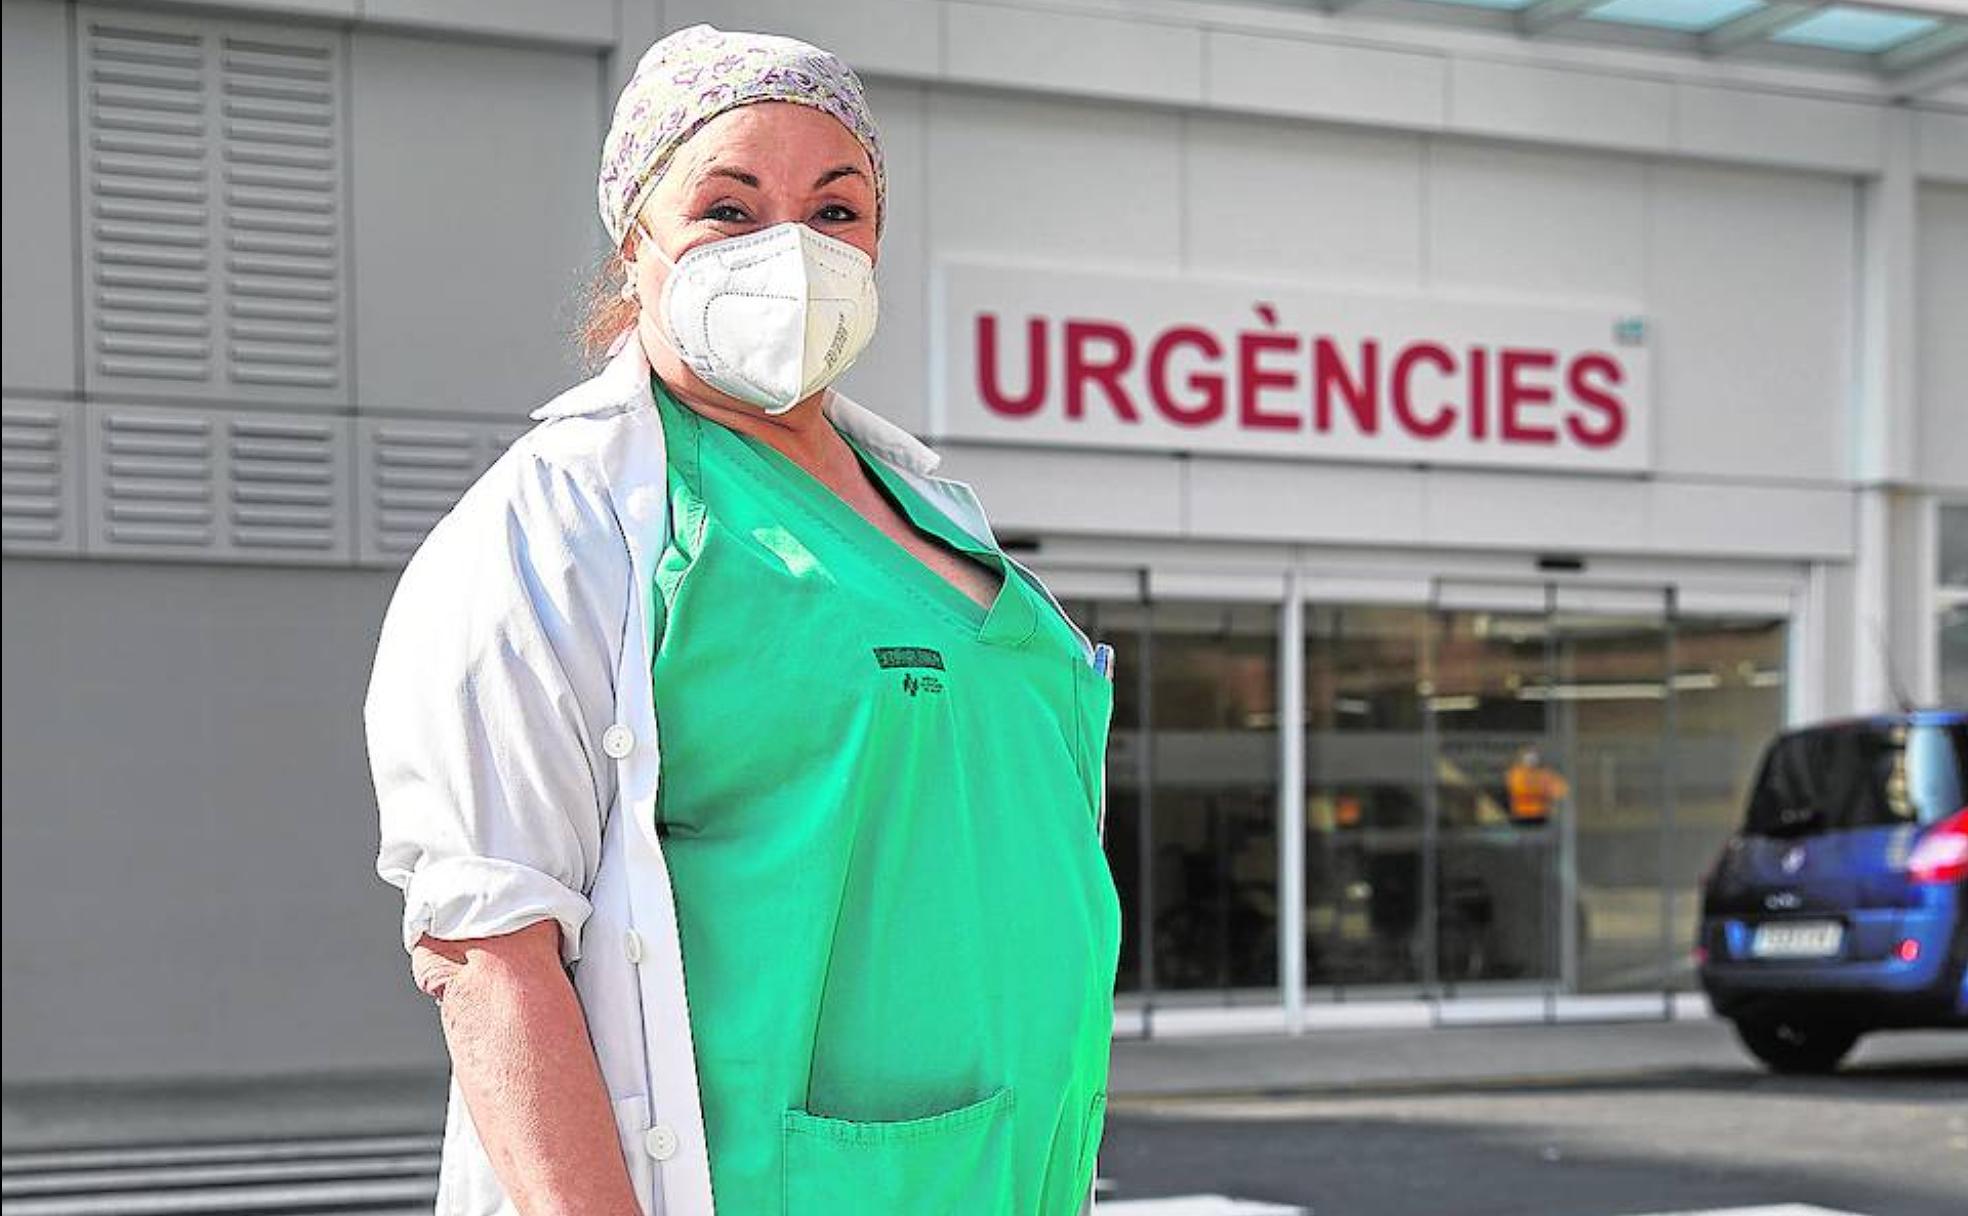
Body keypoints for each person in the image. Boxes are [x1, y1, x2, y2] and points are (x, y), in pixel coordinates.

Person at [365, 24, 1120, 1216]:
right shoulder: (557, 523)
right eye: (729, 207)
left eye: (837, 211)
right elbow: (485, 949)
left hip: (1003, 1168)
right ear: (636, 244)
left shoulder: (933, 511)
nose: (795, 253)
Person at [1505, 744, 1570, 825]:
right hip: (1520, 817)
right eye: (1527, 754)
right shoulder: (1515, 774)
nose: (1530, 758)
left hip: (1540, 817)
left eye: (1533, 755)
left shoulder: (1546, 774)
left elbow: (1562, 790)